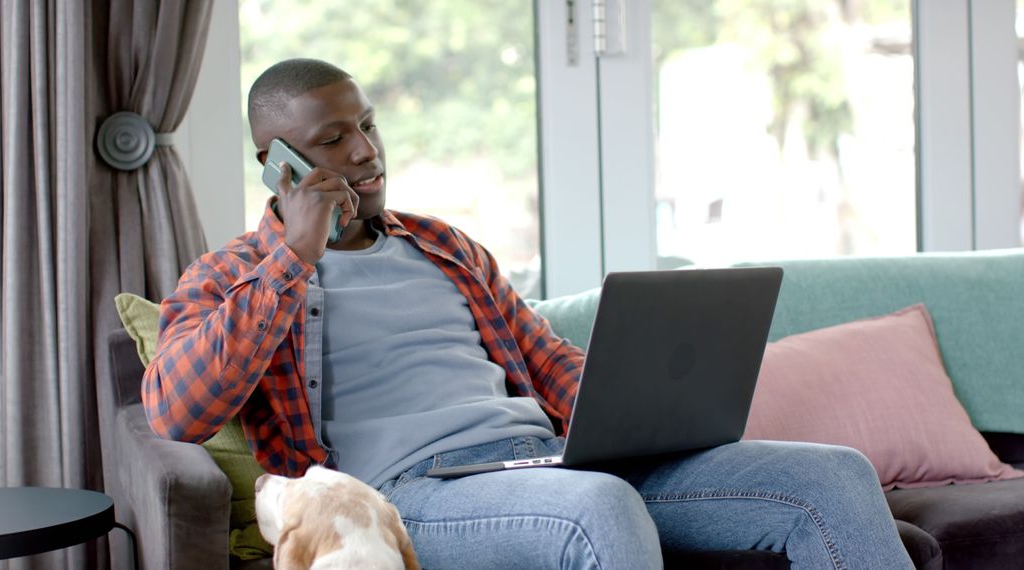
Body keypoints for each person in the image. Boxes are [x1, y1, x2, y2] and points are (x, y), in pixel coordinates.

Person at [143, 58, 914, 569]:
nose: (366, 152)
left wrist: (643, 408)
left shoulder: (443, 246)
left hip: (543, 462)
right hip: (413, 492)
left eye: (368, 124)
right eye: (333, 140)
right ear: (280, 166)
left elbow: (549, 364)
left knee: (832, 476)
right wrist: (294, 257)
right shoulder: (236, 275)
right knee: (598, 507)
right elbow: (177, 409)